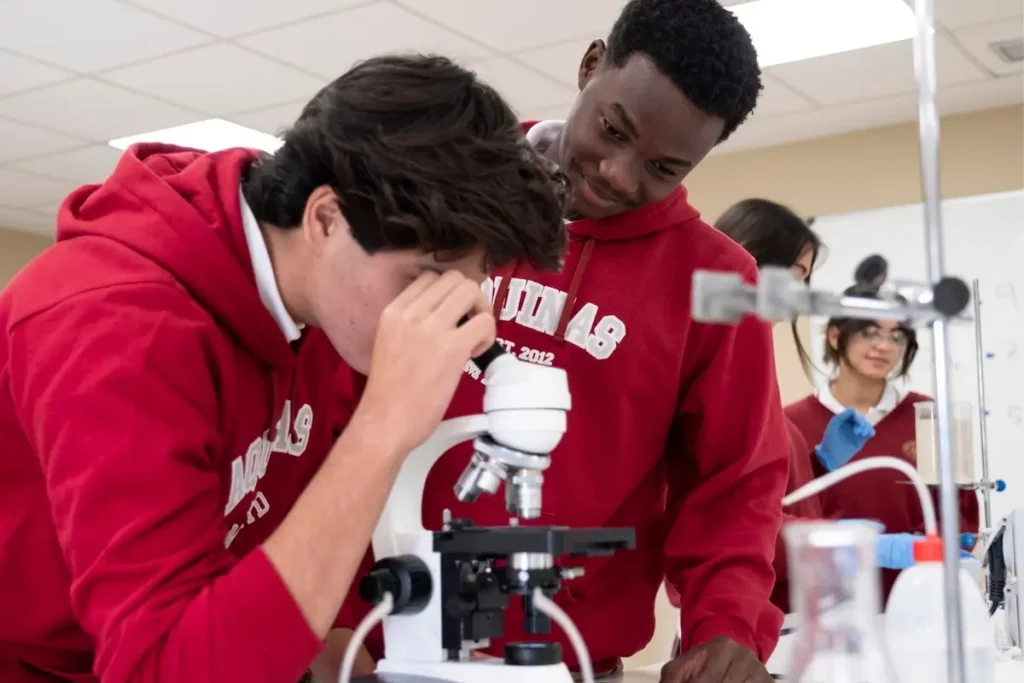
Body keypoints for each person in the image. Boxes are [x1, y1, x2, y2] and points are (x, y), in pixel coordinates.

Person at [0, 55, 568, 683]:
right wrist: (383, 429)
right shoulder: (112, 325)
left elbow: (307, 561)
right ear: (325, 218)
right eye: (424, 280)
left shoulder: (330, 304)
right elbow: (160, 667)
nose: (447, 324)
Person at [349, 3, 789, 681]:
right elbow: (333, 406)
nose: (618, 172)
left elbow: (735, 485)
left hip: (569, 660)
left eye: (663, 167)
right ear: (591, 65)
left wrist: (726, 626)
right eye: (613, 129)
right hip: (382, 644)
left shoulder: (719, 279)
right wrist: (332, 619)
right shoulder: (449, 189)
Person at [709, 198, 973, 616]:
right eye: (795, 278)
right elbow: (725, 519)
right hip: (756, 614)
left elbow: (761, 491)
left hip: (816, 611)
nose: (800, 297)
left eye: (897, 336)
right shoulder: (715, 365)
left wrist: (818, 465)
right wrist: (864, 544)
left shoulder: (749, 356)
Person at [785, 285, 981, 603]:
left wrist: (922, 548)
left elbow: (959, 510)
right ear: (836, 336)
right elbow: (778, 518)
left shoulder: (928, 417)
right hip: (827, 604)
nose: (883, 346)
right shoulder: (790, 424)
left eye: (897, 336)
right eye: (869, 331)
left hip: (915, 599)